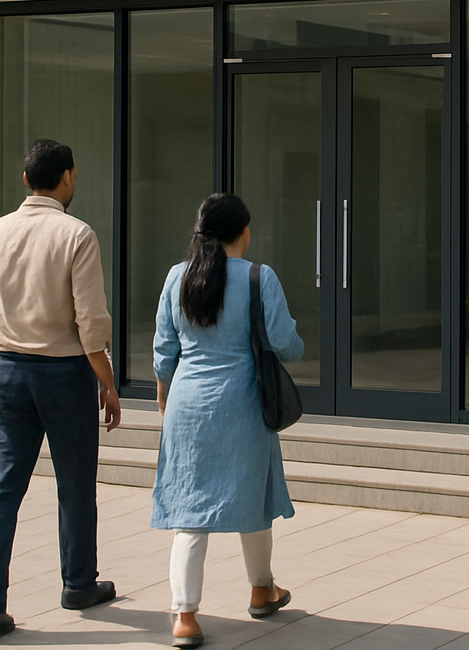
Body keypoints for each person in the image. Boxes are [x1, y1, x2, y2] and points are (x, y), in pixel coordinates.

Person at [0, 139, 122, 641]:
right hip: (64, 373)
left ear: (25, 179)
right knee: (75, 483)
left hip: (9, 368)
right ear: (68, 176)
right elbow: (91, 322)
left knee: (3, 487)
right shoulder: (76, 234)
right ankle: (78, 583)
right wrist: (109, 384)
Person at [151, 193, 304, 649]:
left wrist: (164, 388)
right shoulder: (260, 277)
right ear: (243, 232)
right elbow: (286, 345)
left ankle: (184, 615)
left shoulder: (178, 277)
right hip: (243, 403)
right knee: (252, 495)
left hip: (187, 405)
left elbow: (164, 350)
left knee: (189, 509)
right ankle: (261, 588)